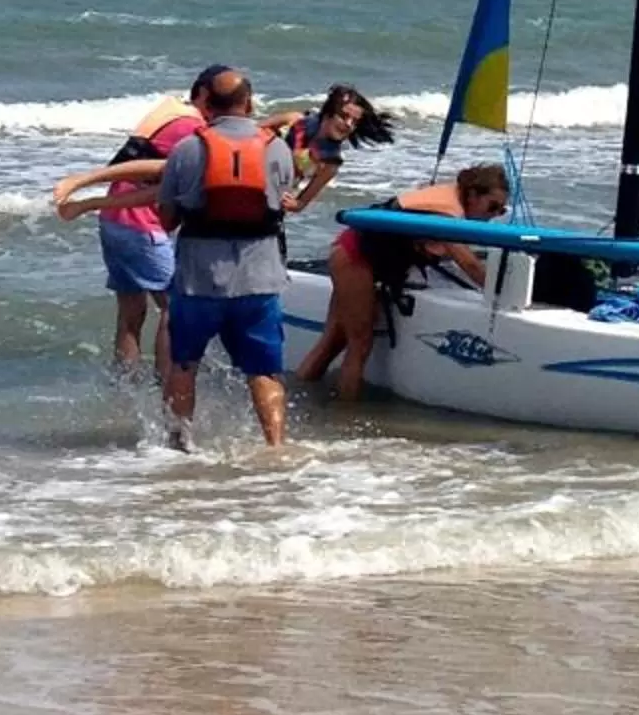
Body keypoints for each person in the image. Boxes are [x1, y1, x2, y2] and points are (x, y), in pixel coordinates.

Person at [153, 67, 301, 450]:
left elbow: (166, 220)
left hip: (197, 281)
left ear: (208, 104)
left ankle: (179, 445)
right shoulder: (276, 148)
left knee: (184, 364)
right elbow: (283, 203)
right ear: (249, 103)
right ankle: (276, 446)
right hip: (260, 280)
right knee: (264, 372)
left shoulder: (187, 150)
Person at [295, 161, 511, 403]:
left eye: (501, 211)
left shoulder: (450, 201)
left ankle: (301, 400)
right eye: (492, 207)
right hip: (354, 257)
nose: (493, 216)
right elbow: (468, 264)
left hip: (356, 255)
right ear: (472, 194)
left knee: (334, 340)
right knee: (360, 344)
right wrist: (502, 291)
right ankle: (344, 418)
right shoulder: (446, 211)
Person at [50, 81, 208, 380]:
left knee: (130, 314)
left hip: (113, 219)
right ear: (203, 96)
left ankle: (125, 386)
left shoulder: (171, 118)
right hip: (140, 224)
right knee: (175, 308)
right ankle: (169, 385)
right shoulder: (191, 128)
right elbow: (166, 178)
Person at [263, 84, 395, 216]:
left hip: (271, 198)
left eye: (355, 122)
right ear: (328, 114)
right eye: (344, 116)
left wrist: (291, 203)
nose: (349, 125)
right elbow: (253, 132)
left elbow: (300, 204)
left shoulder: (330, 163)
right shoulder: (295, 121)